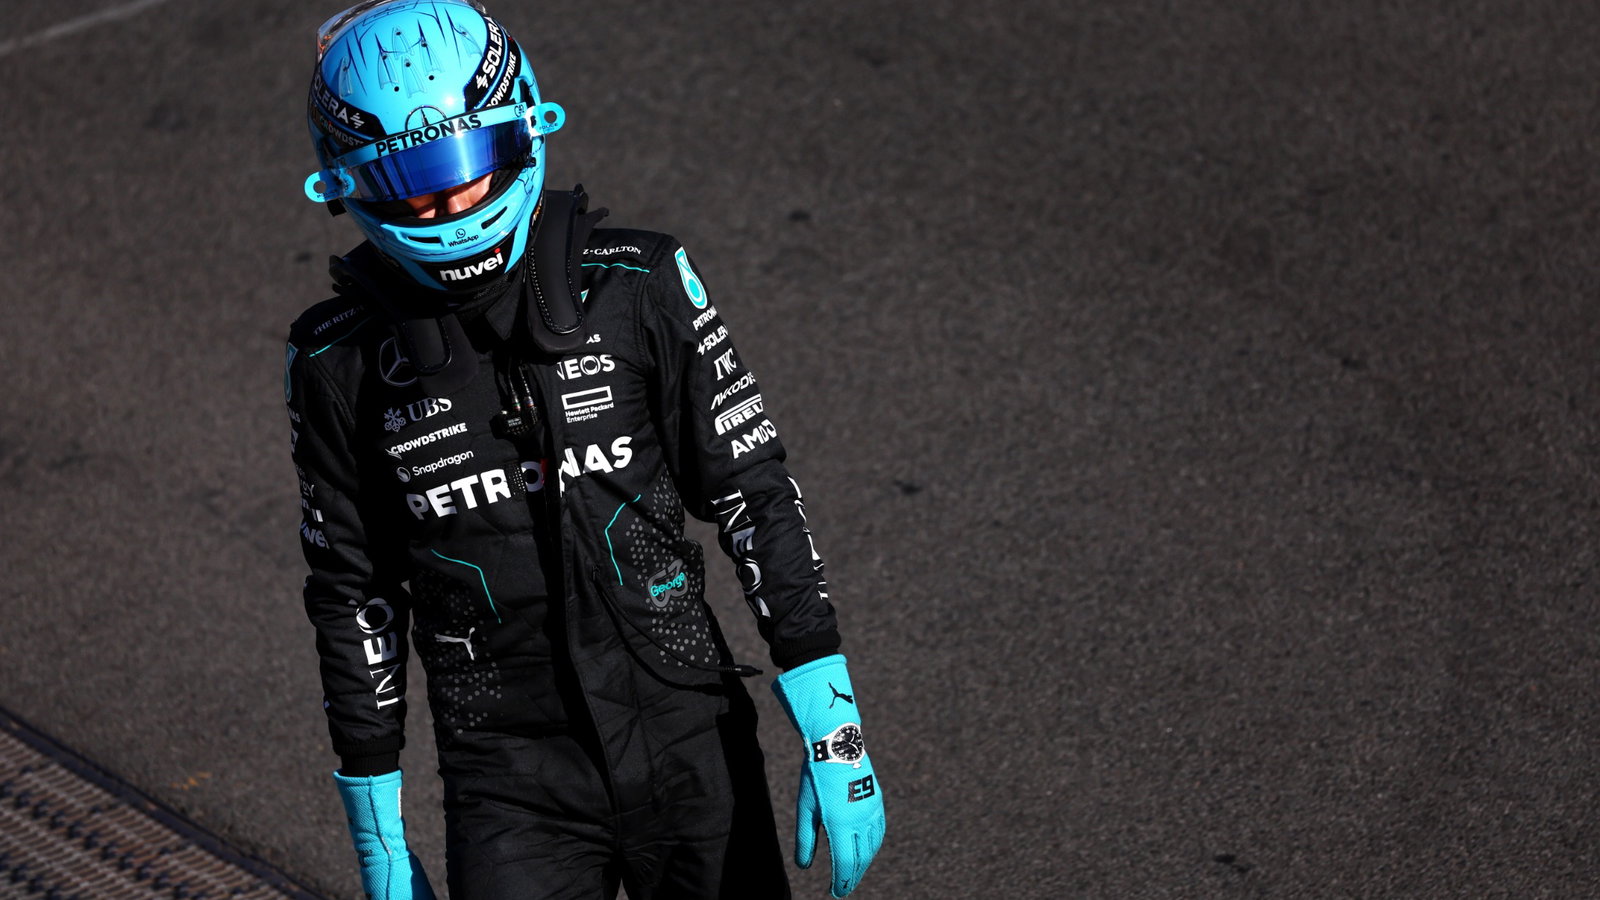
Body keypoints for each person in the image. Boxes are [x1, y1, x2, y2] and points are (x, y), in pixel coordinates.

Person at [282, 1, 886, 898]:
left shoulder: (638, 283)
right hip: (508, 785)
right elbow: (351, 592)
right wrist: (372, 816)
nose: (445, 203)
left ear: (521, 126)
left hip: (691, 748)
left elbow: (753, 491)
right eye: (407, 180)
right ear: (346, 184)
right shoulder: (335, 362)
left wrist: (833, 723)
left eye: (462, 167)